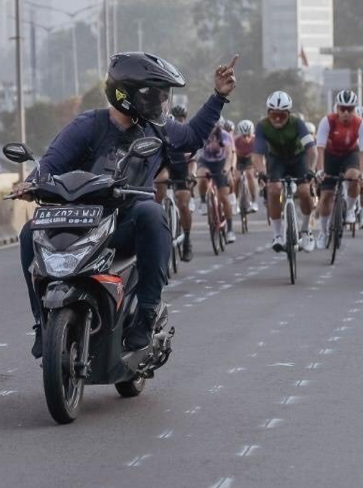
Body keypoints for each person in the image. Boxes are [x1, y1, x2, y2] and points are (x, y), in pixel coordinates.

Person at [13, 51, 238, 356]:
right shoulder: (88, 125)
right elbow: (50, 163)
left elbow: (192, 137)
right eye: (154, 94)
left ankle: (145, 313)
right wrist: (30, 183)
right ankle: (42, 322)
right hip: (80, 224)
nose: (161, 102)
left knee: (152, 212)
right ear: (129, 95)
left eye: (163, 95)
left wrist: (218, 97)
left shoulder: (158, 129)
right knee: (30, 232)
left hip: (124, 225)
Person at [252, 90, 317, 253]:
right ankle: (277, 235)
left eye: (282, 115)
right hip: (277, 159)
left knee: (304, 191)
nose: (278, 119)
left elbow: (312, 150)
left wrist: (311, 170)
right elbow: (257, 155)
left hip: (298, 158)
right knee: (273, 190)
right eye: (274, 115)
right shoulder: (262, 126)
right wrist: (260, 172)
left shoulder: (297, 123)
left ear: (289, 113)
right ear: (268, 113)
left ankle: (306, 229)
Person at [314, 90, 363, 249]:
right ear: (337, 108)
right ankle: (324, 232)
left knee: (354, 177)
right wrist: (320, 170)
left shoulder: (361, 124)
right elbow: (320, 148)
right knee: (326, 196)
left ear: (355, 109)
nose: (346, 113)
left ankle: (351, 209)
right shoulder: (327, 121)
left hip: (349, 154)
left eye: (350, 109)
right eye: (342, 109)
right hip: (330, 155)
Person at [153, 104, 196, 262]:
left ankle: (187, 241)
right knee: (159, 183)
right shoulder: (159, 139)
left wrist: (191, 175)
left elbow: (192, 161)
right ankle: (157, 217)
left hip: (182, 169)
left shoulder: (185, 139)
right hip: (166, 167)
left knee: (183, 203)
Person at [197, 119, 237, 244]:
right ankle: (203, 201)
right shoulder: (201, 133)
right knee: (202, 177)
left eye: (214, 126)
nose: (211, 127)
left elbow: (229, 153)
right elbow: (195, 151)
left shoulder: (224, 135)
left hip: (220, 163)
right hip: (205, 161)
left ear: (218, 126)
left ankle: (230, 229)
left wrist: (226, 169)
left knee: (223, 198)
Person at [234, 119, 259, 214]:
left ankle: (254, 201)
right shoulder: (235, 140)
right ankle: (235, 202)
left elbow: (259, 156)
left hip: (250, 159)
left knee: (250, 175)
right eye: (244, 136)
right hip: (238, 159)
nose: (246, 138)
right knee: (236, 178)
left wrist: (257, 169)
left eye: (249, 135)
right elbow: (232, 155)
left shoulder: (256, 140)